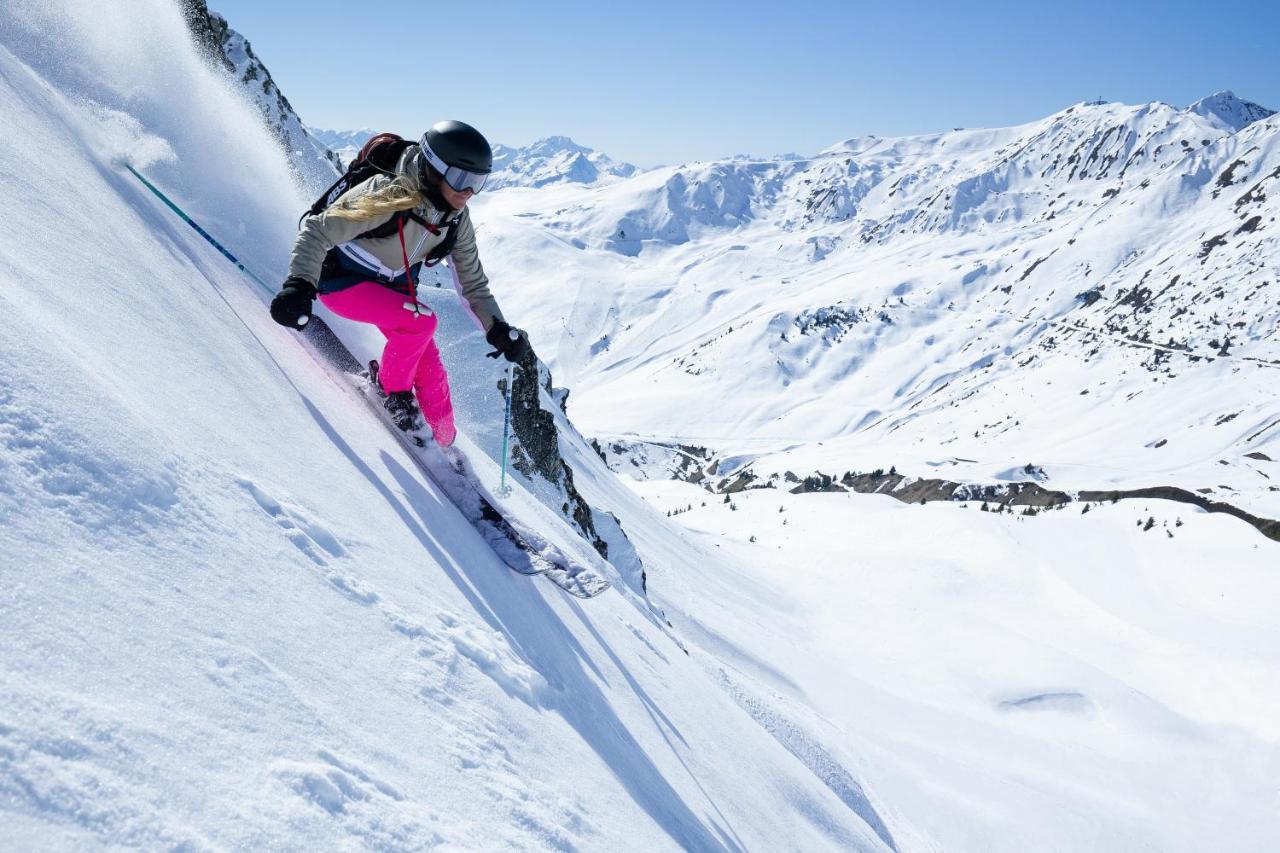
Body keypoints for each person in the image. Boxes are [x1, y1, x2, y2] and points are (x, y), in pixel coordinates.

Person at [269, 120, 531, 447]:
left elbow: (473, 285)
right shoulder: (387, 194)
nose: (468, 192)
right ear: (435, 168)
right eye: (462, 179)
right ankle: (391, 394)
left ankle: (444, 445)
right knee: (422, 323)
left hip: (393, 298)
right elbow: (316, 230)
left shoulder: (455, 219)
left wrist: (497, 328)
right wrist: (299, 285)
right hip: (343, 282)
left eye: (477, 182)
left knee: (435, 380)